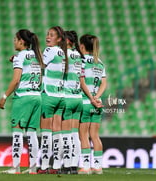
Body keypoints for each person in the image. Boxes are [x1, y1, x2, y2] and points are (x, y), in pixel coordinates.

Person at [0, 29, 44, 174]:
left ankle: (15, 167)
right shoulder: (38, 56)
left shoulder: (20, 56)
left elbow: (16, 80)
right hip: (37, 96)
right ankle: (32, 168)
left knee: (17, 130)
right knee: (31, 132)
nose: (14, 41)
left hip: (23, 97)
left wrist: (4, 96)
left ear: (21, 41)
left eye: (15, 39)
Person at [38, 26, 68, 174]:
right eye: (47, 34)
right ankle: (56, 165)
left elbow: (40, 64)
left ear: (59, 39)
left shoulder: (49, 50)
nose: (47, 37)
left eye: (51, 35)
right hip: (60, 96)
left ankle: (44, 166)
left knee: (46, 132)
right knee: (57, 132)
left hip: (48, 95)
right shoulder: (62, 52)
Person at [78, 34, 107, 175]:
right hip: (98, 104)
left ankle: (85, 166)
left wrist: (90, 98)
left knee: (83, 135)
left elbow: (82, 81)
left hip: (85, 102)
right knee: (95, 136)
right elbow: (104, 83)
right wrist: (97, 97)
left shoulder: (82, 61)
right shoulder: (100, 62)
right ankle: (98, 166)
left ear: (82, 46)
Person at [61, 30, 83, 174]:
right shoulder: (78, 56)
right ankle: (74, 165)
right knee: (75, 134)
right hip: (78, 98)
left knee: (65, 133)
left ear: (68, 41)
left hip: (67, 97)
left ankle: (67, 164)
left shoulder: (64, 55)